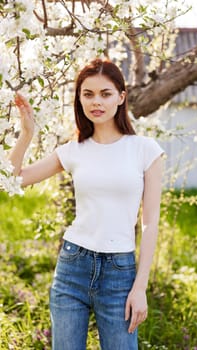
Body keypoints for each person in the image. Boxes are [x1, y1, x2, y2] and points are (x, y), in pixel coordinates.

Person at [10, 58, 164, 350]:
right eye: (88, 94)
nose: (97, 102)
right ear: (79, 99)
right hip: (72, 267)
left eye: (105, 94)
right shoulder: (74, 150)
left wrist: (140, 287)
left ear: (121, 97)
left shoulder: (145, 150)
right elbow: (12, 179)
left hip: (120, 273)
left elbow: (150, 221)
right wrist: (27, 134)